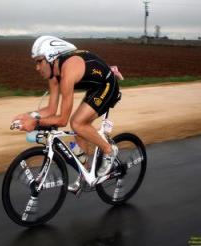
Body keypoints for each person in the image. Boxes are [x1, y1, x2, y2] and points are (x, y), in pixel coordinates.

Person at [13, 35, 121, 192]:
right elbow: (50, 110)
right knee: (79, 130)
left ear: (51, 58)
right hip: (95, 86)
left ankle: (109, 150)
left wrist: (35, 123)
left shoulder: (67, 71)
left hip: (107, 85)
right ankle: (86, 175)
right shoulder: (53, 74)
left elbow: (62, 119)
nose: (37, 67)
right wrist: (27, 115)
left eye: (39, 61)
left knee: (77, 123)